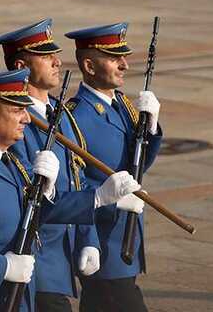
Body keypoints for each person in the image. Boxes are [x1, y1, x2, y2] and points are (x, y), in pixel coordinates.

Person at [0, 68, 141, 312]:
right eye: (17, 111)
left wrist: (97, 198)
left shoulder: (9, 161)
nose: (26, 118)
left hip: (20, 298)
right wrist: (1, 267)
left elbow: (38, 212)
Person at [0, 19, 141, 312]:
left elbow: (77, 179)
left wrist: (89, 238)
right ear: (21, 65)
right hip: (37, 257)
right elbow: (28, 199)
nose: (57, 62)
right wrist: (98, 199)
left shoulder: (59, 114)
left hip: (62, 257)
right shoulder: (15, 124)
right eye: (46, 56)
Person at [63, 23, 163, 312]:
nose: (125, 64)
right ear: (89, 66)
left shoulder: (121, 105)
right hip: (102, 240)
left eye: (124, 56)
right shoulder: (76, 116)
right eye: (114, 58)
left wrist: (151, 129)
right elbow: (73, 185)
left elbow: (138, 165)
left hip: (124, 239)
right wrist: (112, 201)